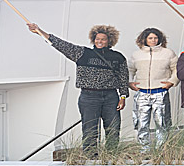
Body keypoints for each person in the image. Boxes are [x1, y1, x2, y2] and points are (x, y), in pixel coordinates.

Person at [27, 22, 128, 156]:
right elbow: (62, 45)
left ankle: (112, 157)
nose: (100, 41)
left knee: (113, 129)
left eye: (103, 39)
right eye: (97, 39)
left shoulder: (118, 57)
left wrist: (122, 97)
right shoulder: (82, 53)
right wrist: (40, 31)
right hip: (89, 97)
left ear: (110, 40)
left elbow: (123, 78)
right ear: (93, 39)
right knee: (90, 130)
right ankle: (91, 158)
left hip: (111, 97)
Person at [127, 27, 179, 150]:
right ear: (144, 39)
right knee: (141, 123)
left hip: (160, 92)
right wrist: (130, 82)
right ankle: (144, 149)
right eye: (150, 38)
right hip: (142, 93)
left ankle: (161, 148)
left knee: (162, 123)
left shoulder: (168, 53)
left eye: (155, 38)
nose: (153, 40)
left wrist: (171, 82)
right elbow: (129, 70)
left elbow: (176, 69)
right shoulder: (137, 54)